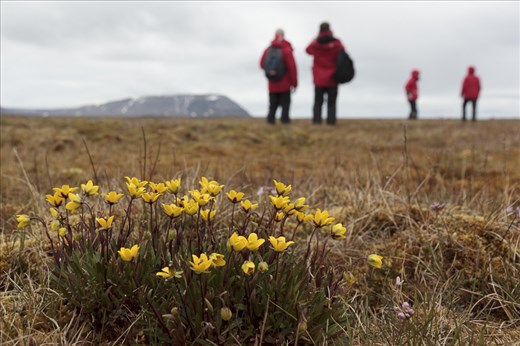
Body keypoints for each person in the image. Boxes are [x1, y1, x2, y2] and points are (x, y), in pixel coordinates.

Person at [305, 22, 345, 125]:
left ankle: (317, 121)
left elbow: (308, 50)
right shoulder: (336, 43)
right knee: (331, 102)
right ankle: (331, 122)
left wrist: (315, 39)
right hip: (333, 77)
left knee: (318, 102)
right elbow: (343, 52)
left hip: (319, 78)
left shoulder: (316, 43)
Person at [260, 29, 298, 124]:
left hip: (272, 84)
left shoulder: (268, 49)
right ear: (283, 35)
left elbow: (261, 64)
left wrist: (271, 72)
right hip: (285, 84)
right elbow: (292, 68)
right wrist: (294, 83)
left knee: (272, 105)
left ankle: (270, 123)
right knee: (285, 105)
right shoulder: (286, 49)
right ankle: (285, 123)